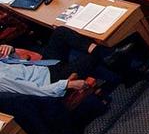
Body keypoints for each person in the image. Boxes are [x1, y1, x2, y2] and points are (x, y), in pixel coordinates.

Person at [0, 26, 137, 97]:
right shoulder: (2, 80)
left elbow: (18, 66)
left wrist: (11, 52)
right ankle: (120, 67)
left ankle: (106, 55)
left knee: (60, 32)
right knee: (88, 59)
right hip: (53, 80)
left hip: (43, 66)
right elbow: (35, 91)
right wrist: (67, 84)